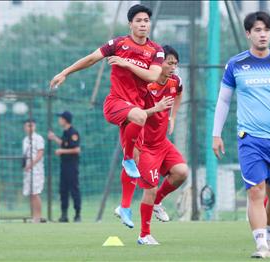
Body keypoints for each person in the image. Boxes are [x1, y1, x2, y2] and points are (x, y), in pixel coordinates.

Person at [49, 4, 173, 228]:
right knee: (139, 121)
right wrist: (64, 72)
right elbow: (90, 58)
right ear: (130, 24)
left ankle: (124, 207)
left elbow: (153, 75)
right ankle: (126, 159)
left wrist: (126, 63)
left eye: (146, 20)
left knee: (135, 160)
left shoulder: (156, 50)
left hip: (136, 108)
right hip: (116, 104)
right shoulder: (118, 44)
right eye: (139, 20)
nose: (143, 24)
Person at [212, 11, 270, 258]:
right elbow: (223, 100)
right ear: (248, 34)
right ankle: (261, 244)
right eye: (257, 30)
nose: (263, 34)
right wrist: (216, 134)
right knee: (255, 191)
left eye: (266, 30)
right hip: (249, 138)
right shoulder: (236, 64)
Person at [116, 45, 188, 245]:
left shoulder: (175, 82)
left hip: (162, 142)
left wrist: (172, 117)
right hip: (145, 145)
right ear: (158, 64)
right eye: (168, 62)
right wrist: (155, 109)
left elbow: (179, 93)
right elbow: (135, 112)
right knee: (151, 188)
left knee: (182, 171)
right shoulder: (145, 84)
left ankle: (157, 203)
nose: (172, 67)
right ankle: (144, 235)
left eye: (175, 63)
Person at [48, 111, 82, 222]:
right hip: (64, 165)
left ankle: (77, 215)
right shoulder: (65, 132)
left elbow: (77, 149)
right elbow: (64, 143)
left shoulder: (73, 132)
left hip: (72, 166)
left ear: (65, 120)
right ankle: (64, 215)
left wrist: (61, 151)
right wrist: (54, 138)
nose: (59, 120)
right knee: (63, 190)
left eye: (60, 118)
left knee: (74, 190)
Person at [22, 119, 45, 223]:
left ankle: (38, 217)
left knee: (35, 193)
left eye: (31, 126)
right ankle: (34, 216)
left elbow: (40, 154)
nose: (30, 128)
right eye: (28, 126)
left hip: (36, 170)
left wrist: (31, 165)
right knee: (31, 193)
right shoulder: (25, 140)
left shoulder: (38, 138)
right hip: (28, 170)